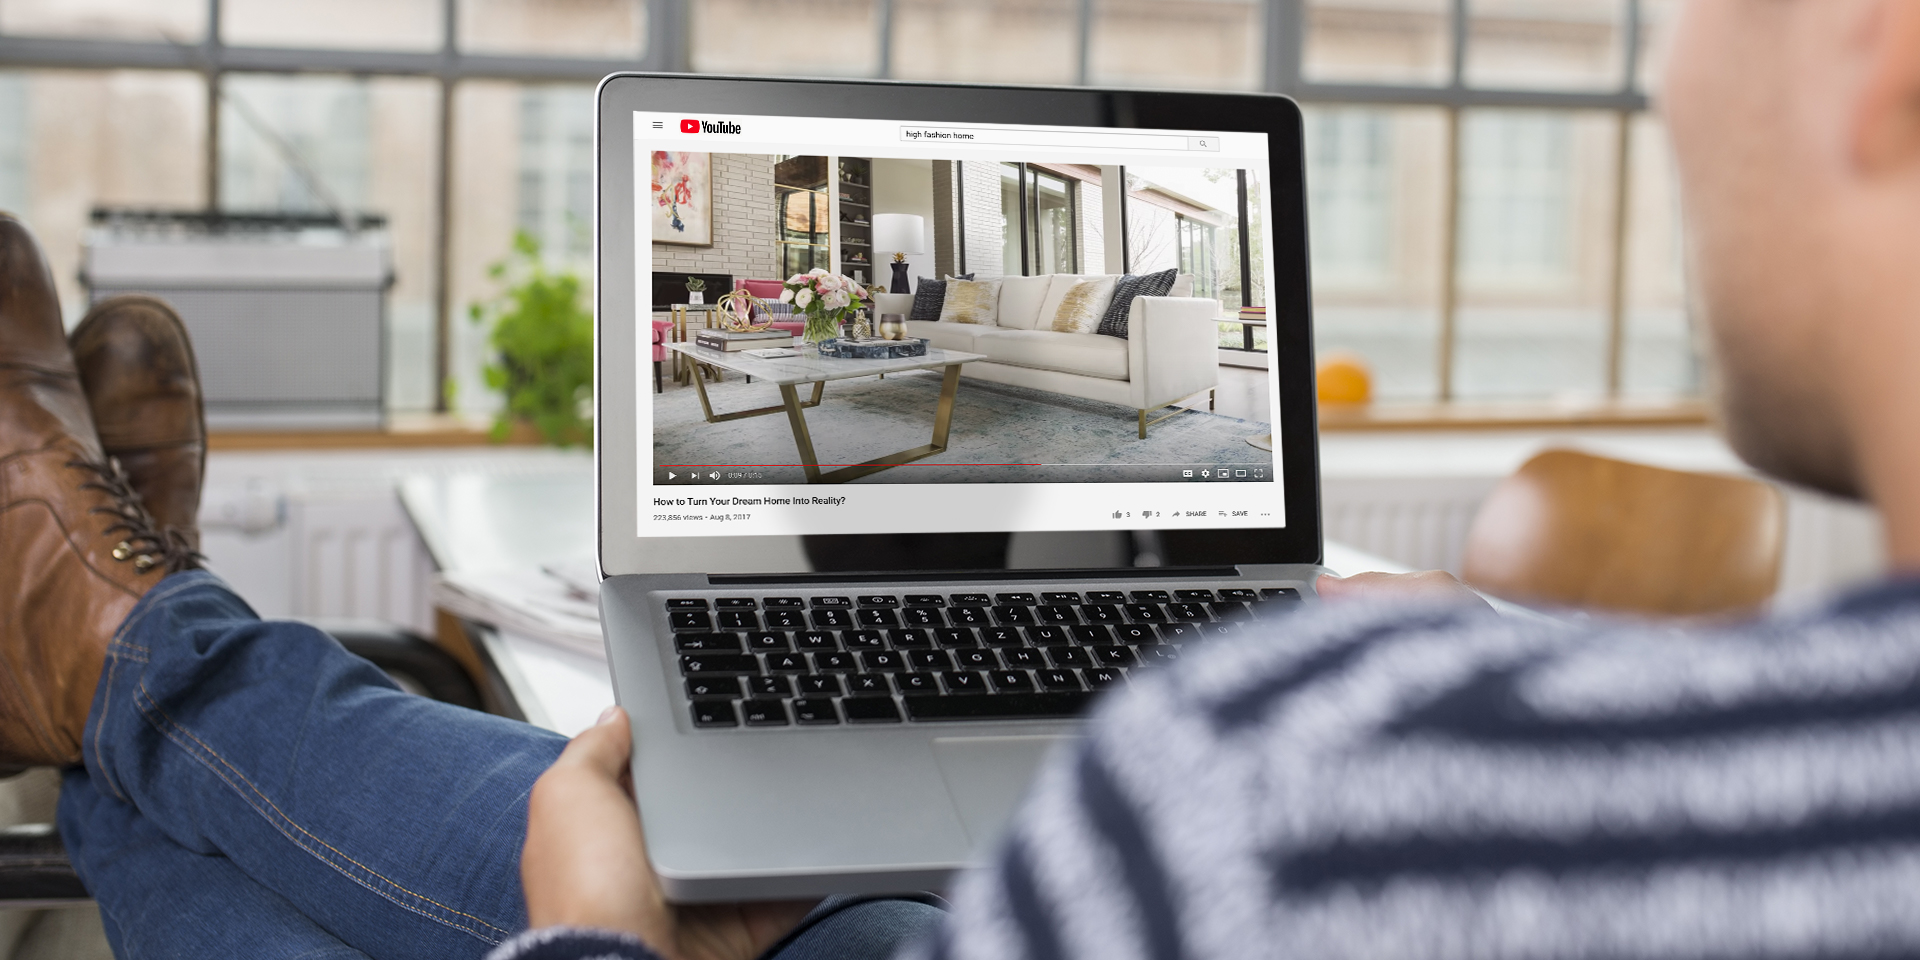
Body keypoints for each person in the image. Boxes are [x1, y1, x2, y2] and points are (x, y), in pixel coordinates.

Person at [6, 0, 1920, 956]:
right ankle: (113, 651)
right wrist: (1490, 645)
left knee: (274, 794)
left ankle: (110, 637)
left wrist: (594, 948)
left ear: (1886, 62)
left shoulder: (1311, 789)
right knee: (222, 803)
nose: (1664, 68)